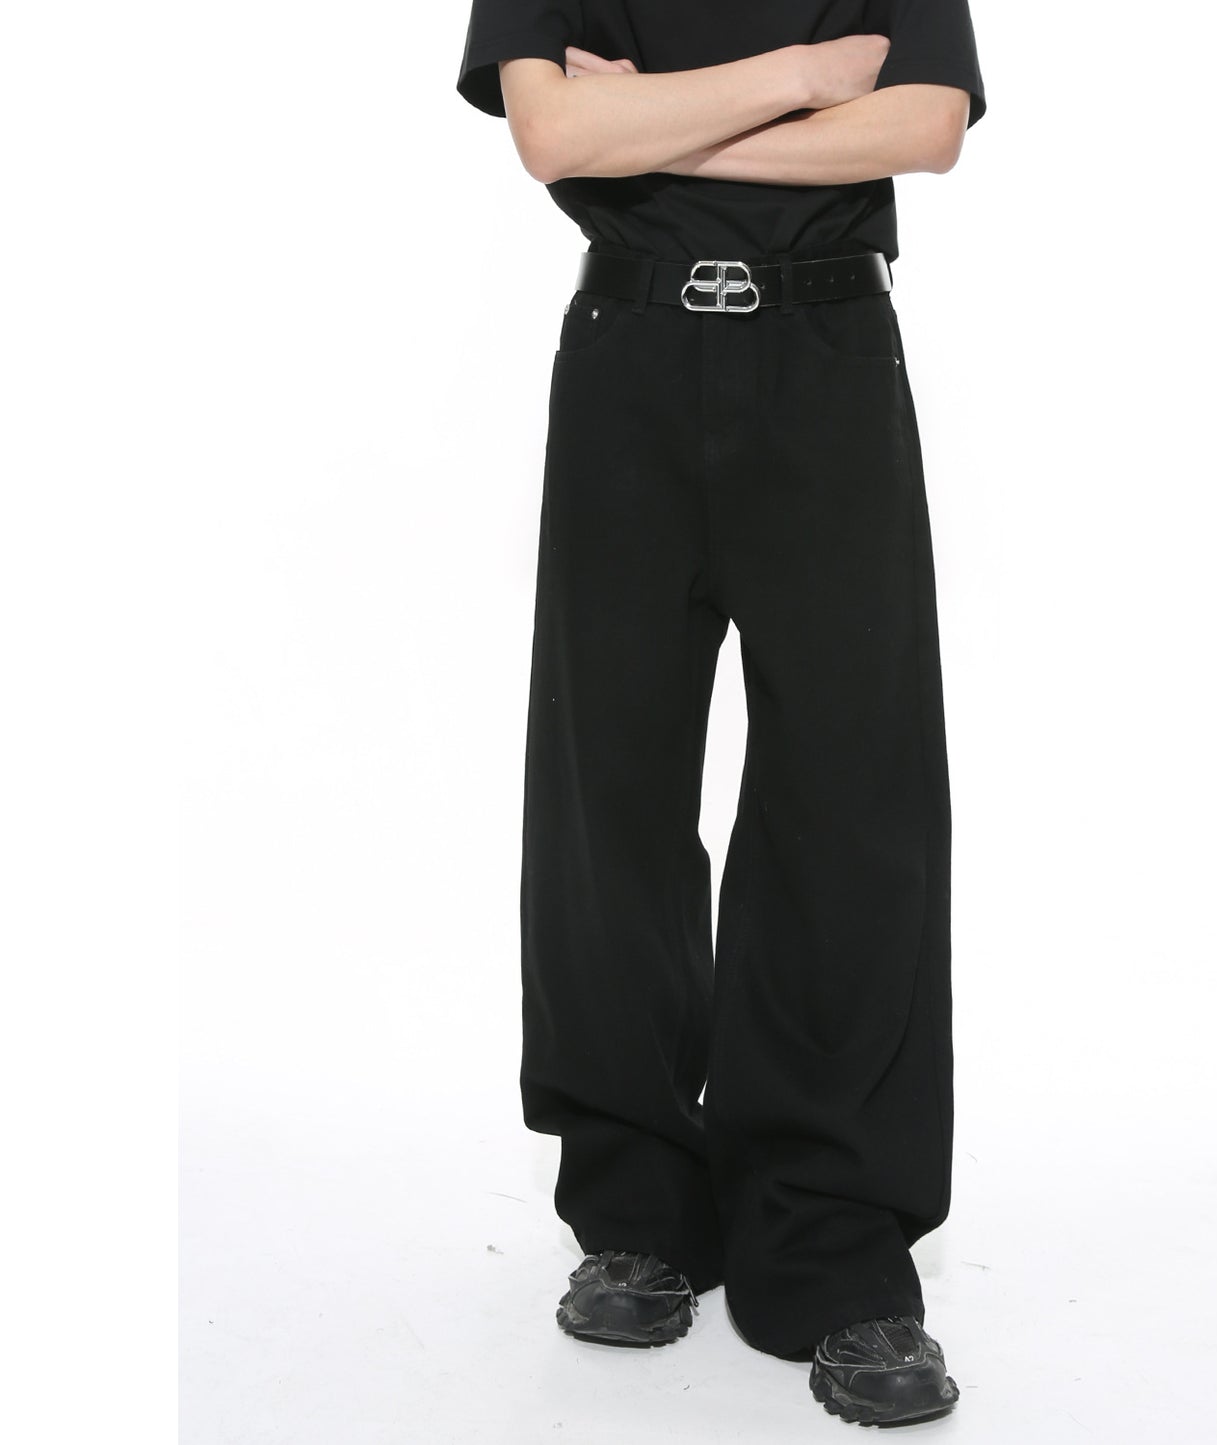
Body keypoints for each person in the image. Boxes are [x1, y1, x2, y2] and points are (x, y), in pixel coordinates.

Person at [456, 0, 986, 1426]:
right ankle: (635, 1205)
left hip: (829, 357)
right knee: (608, 793)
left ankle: (831, 1241)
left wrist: (654, 118)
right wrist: (805, 81)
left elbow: (926, 125)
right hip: (626, 350)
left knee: (850, 802)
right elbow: (551, 134)